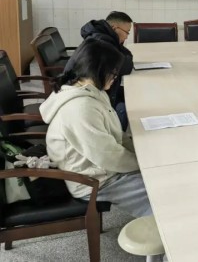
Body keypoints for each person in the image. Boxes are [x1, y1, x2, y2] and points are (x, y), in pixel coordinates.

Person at [40, 39, 152, 217]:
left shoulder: (90, 91)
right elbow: (108, 156)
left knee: (161, 176)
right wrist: (145, 164)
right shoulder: (80, 108)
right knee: (160, 191)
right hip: (91, 180)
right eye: (113, 73)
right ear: (98, 70)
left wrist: (143, 156)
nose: (115, 78)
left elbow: (116, 136)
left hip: (101, 167)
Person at [66, 11, 133, 131]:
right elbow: (125, 66)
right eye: (127, 32)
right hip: (85, 94)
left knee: (131, 95)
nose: (127, 37)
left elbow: (126, 56)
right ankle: (116, 131)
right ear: (114, 28)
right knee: (126, 104)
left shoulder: (105, 36)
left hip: (94, 89)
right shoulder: (101, 41)